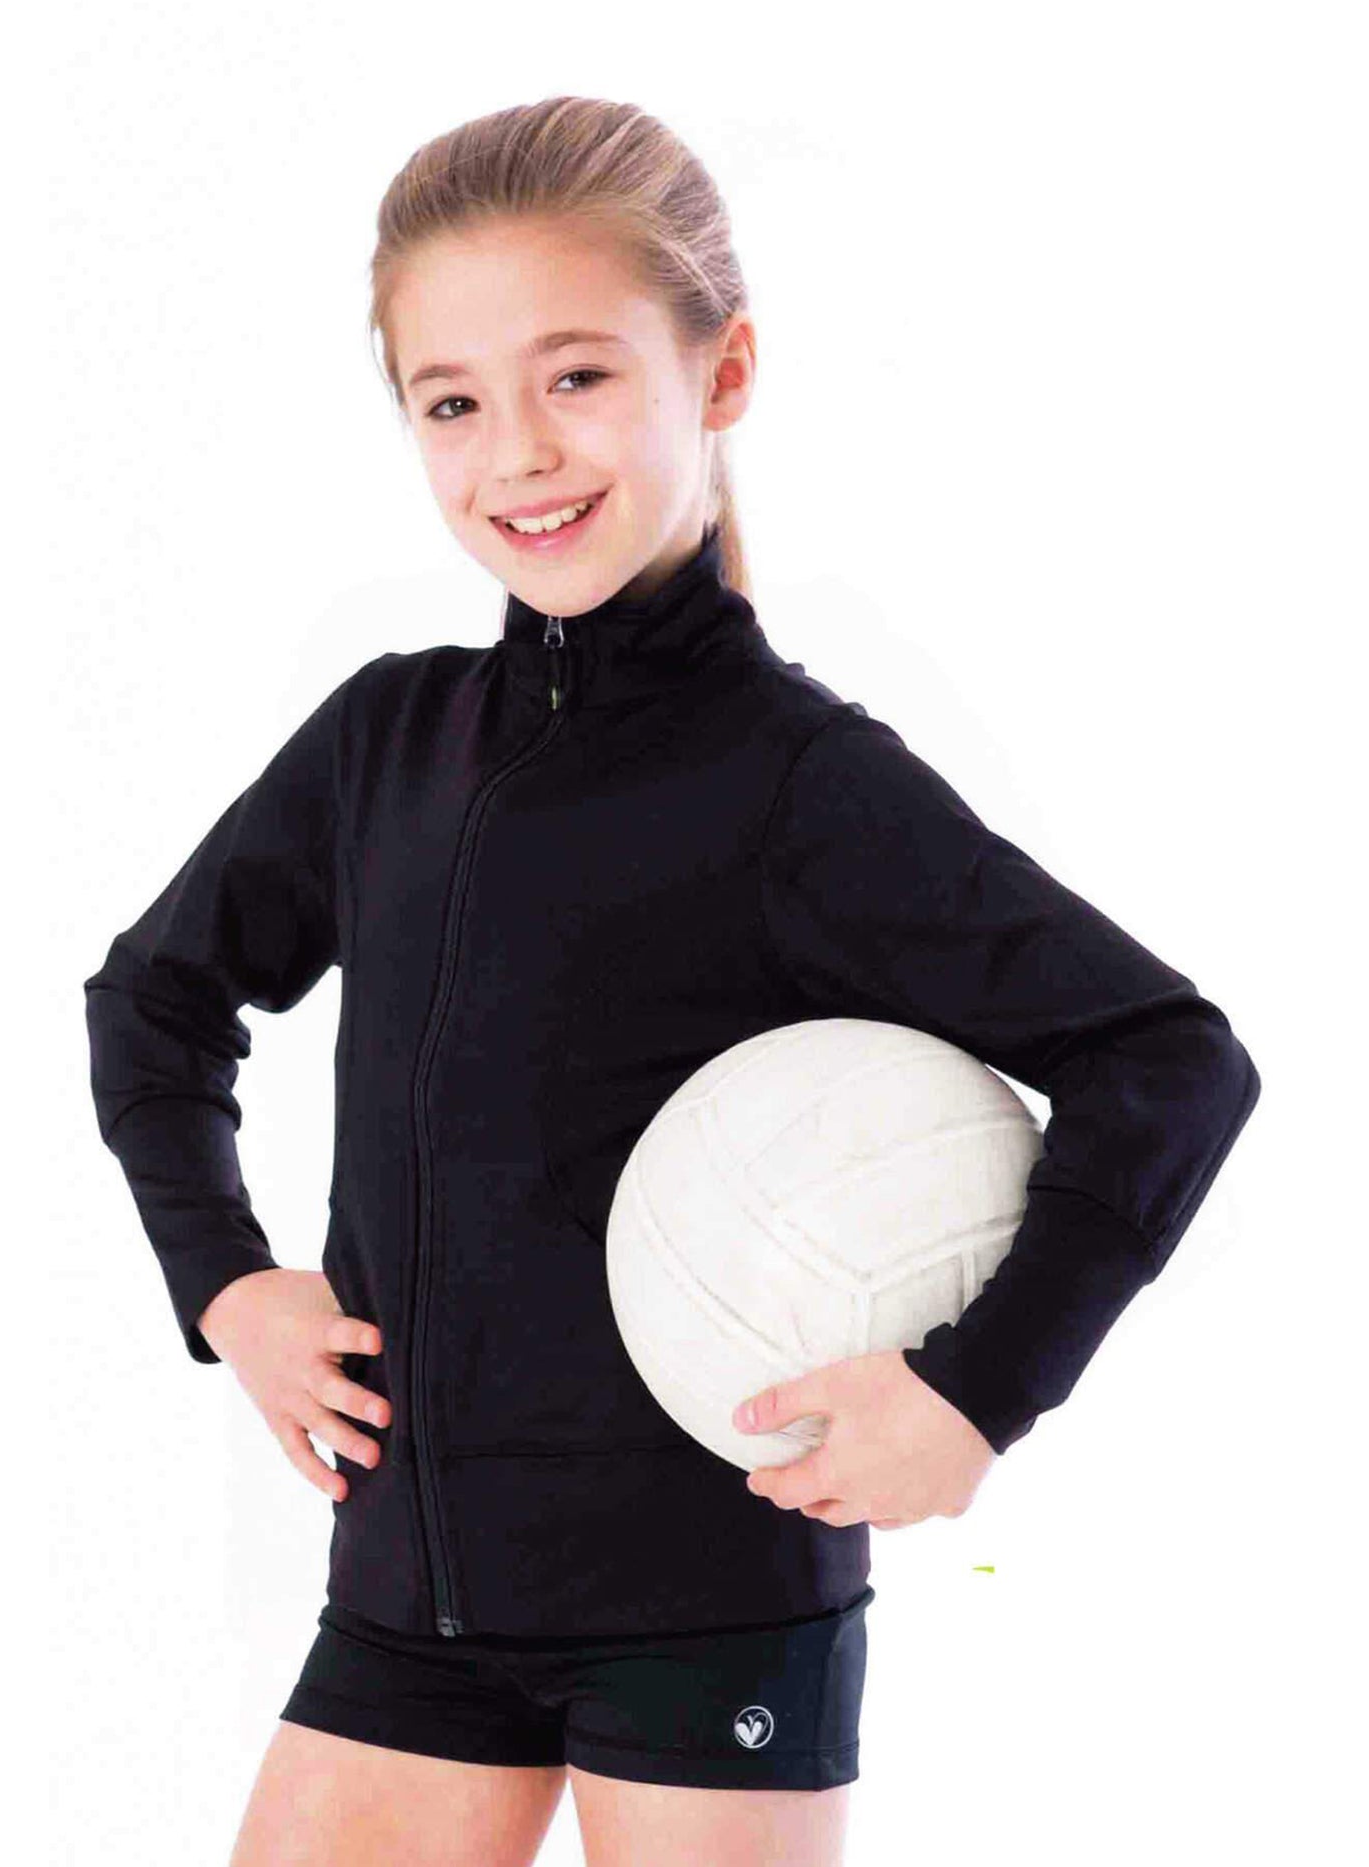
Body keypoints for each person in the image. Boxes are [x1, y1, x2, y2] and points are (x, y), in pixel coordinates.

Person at [82, 95, 1262, 1867]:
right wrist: (228, 1286)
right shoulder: (383, 744)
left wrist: (978, 1391)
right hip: (408, 1602)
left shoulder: (800, 782)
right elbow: (154, 1003)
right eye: (452, 403)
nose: (519, 455)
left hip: (713, 1614)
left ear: (723, 372)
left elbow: (1167, 1061)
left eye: (577, 376)